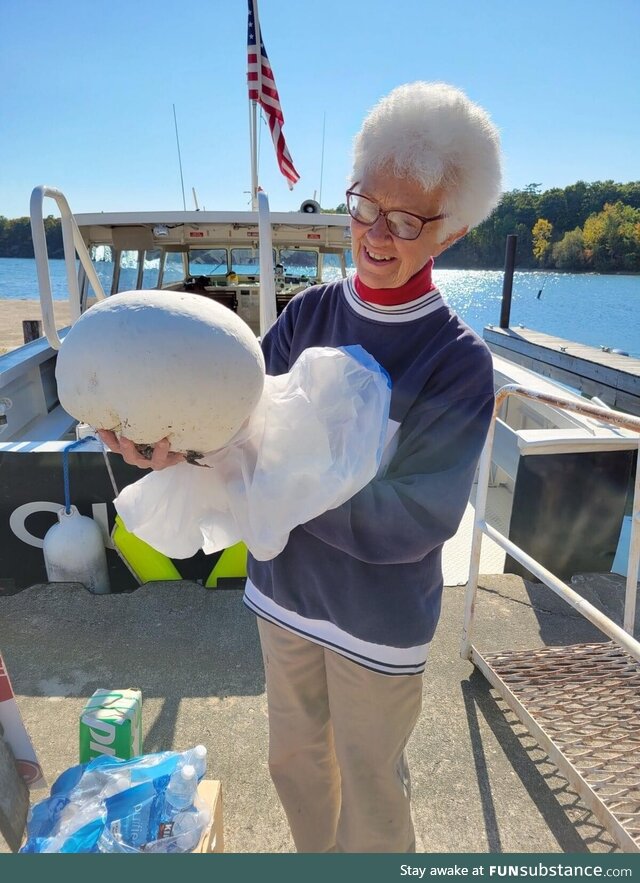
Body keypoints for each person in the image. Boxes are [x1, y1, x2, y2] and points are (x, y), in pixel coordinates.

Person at [99, 81, 502, 853]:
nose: (377, 233)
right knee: (294, 767)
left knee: (374, 789)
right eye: (364, 206)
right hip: (283, 600)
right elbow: (236, 433)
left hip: (377, 628)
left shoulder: (458, 362)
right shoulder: (308, 314)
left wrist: (277, 488)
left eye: (407, 218)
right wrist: (173, 448)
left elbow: (415, 522)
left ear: (449, 233)